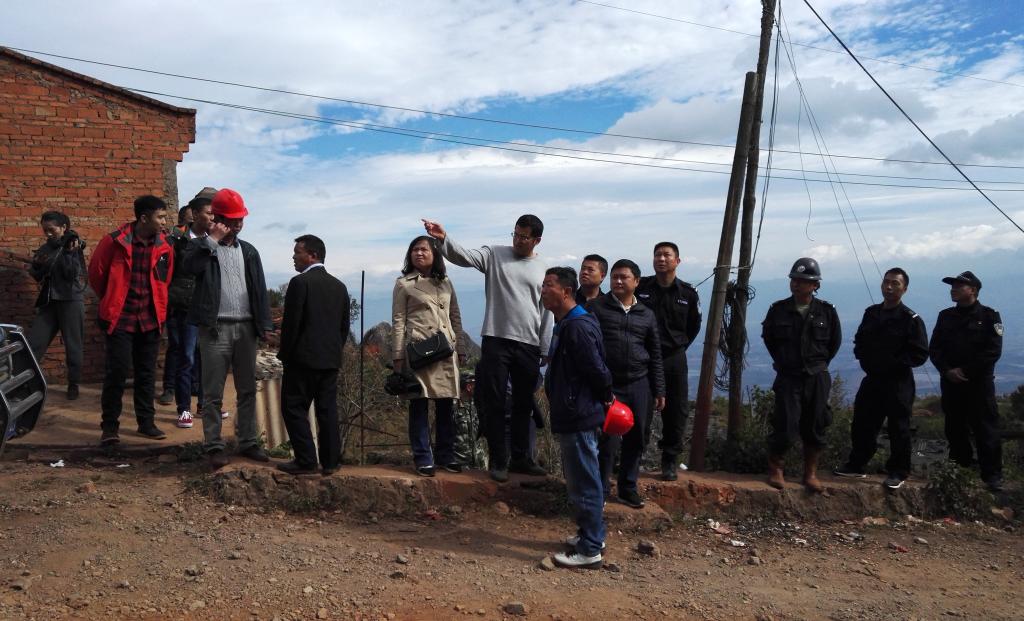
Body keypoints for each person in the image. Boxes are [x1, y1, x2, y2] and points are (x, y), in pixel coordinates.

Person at [423, 215, 553, 482]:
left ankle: (521, 458)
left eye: (524, 237)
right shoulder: (495, 254)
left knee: (523, 403)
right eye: (515, 234)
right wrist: (444, 238)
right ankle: (498, 460)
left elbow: (546, 310)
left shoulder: (543, 268)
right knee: (494, 401)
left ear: (537, 240)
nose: (518, 240)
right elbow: (465, 257)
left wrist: (545, 345)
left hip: (528, 343)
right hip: (496, 339)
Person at [183, 188, 273, 469]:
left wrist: (264, 325)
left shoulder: (249, 251)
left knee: (247, 389)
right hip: (215, 328)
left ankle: (248, 441)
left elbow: (259, 290)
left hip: (246, 328)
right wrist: (211, 240)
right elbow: (189, 267)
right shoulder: (203, 247)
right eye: (232, 220)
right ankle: (214, 445)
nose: (237, 225)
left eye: (240, 220)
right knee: (212, 393)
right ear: (218, 219)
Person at [87, 195, 174, 445]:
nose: (164, 222)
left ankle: (146, 423)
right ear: (144, 218)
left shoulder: (166, 245)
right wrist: (112, 299)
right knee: (116, 373)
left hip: (150, 318)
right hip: (120, 318)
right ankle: (110, 427)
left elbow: (165, 279)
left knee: (146, 374)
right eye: (160, 217)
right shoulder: (114, 241)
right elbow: (96, 275)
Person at [541, 266, 612, 569]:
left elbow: (597, 370)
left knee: (584, 481)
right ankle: (591, 535)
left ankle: (590, 549)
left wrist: (604, 396)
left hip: (579, 414)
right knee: (583, 478)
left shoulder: (577, 327)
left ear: (566, 292)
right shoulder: (568, 322)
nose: (543, 291)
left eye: (549, 285)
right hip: (577, 411)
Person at [834, 268, 929, 489]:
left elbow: (920, 353)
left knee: (899, 427)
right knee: (863, 423)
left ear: (904, 289)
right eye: (886, 282)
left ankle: (898, 471)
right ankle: (857, 464)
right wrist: (864, 358)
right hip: (873, 379)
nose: (889, 287)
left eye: (895, 283)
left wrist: (893, 364)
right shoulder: (871, 313)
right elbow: (860, 340)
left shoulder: (911, 319)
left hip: (898, 382)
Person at [586, 259, 665, 509]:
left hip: (639, 382)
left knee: (638, 437)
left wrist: (659, 389)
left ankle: (627, 488)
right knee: (607, 440)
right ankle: (599, 490)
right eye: (615, 277)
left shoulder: (647, 314)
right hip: (609, 384)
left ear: (637, 281)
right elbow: (588, 347)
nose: (618, 281)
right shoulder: (597, 308)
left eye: (624, 277)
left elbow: (655, 353)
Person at [761, 257, 841, 493]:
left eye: (803, 281)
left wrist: (817, 364)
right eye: (794, 279)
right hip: (789, 375)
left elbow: (834, 343)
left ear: (815, 285)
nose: (796, 284)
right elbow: (770, 340)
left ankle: (810, 473)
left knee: (815, 424)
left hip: (816, 376)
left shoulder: (826, 311)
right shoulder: (778, 310)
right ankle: (776, 468)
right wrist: (785, 361)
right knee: (785, 424)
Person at [276, 235, 350, 476]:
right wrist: (333, 352)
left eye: (298, 252)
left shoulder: (300, 283)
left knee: (293, 408)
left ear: (312, 255)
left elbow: (292, 325)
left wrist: (285, 354)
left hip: (302, 360)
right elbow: (343, 327)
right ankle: (331, 462)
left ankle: (306, 460)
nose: (293, 256)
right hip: (329, 360)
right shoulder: (339, 286)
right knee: (327, 410)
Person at [392, 235, 466, 476]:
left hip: (446, 352)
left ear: (435, 254)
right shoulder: (404, 284)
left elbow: (455, 316)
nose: (419, 253)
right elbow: (398, 321)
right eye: (414, 250)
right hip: (419, 352)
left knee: (446, 405)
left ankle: (446, 456)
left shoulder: (446, 282)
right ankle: (423, 458)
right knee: (419, 404)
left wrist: (461, 348)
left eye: (424, 249)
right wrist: (398, 357)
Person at [929, 271, 1004, 492]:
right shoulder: (945, 316)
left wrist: (965, 371)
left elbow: (993, 351)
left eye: (959, 286)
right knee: (955, 429)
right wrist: (947, 371)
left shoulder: (990, 316)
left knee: (986, 429)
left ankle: (992, 475)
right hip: (951, 384)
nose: (953, 289)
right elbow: (935, 348)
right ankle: (960, 472)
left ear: (973, 290)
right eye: (952, 286)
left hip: (979, 384)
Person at [636, 242, 701, 480]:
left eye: (666, 255)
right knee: (640, 408)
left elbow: (693, 326)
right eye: (657, 255)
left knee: (676, 410)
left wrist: (677, 346)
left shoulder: (688, 294)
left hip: (673, 357)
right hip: (644, 357)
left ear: (677, 261)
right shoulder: (641, 288)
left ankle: (670, 460)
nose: (661, 259)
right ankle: (634, 458)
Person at [159, 188, 216, 408]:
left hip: (205, 306)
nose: (213, 217)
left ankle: (202, 399)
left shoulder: (216, 240)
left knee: (202, 354)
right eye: (209, 213)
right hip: (180, 304)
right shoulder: (176, 240)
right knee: (181, 351)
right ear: (195, 213)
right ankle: (171, 390)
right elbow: (167, 273)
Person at [27, 211, 86, 401]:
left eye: (51, 230)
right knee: (34, 344)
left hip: (71, 301)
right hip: (49, 302)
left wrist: (69, 253)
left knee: (73, 347)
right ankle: (27, 384)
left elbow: (71, 274)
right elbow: (37, 275)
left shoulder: (73, 245)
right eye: (45, 230)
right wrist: (37, 265)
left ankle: (73, 383)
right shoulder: (46, 248)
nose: (48, 234)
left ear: (63, 228)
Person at [453, 372, 486, 468]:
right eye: (476, 385)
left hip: (478, 463)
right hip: (460, 464)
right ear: (469, 387)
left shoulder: (477, 405)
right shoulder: (452, 407)